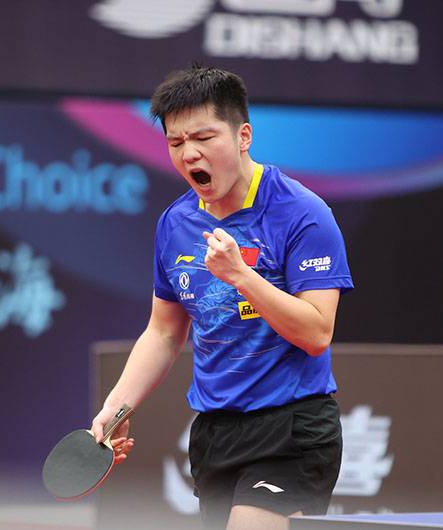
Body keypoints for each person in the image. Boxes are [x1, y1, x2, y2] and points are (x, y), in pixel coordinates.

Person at [91, 65, 354, 530]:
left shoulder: (303, 214)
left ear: (243, 136)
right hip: (215, 433)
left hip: (291, 429)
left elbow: (317, 332)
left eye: (203, 137)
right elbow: (164, 332)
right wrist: (118, 405)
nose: (189, 153)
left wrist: (241, 276)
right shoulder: (175, 224)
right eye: (175, 143)